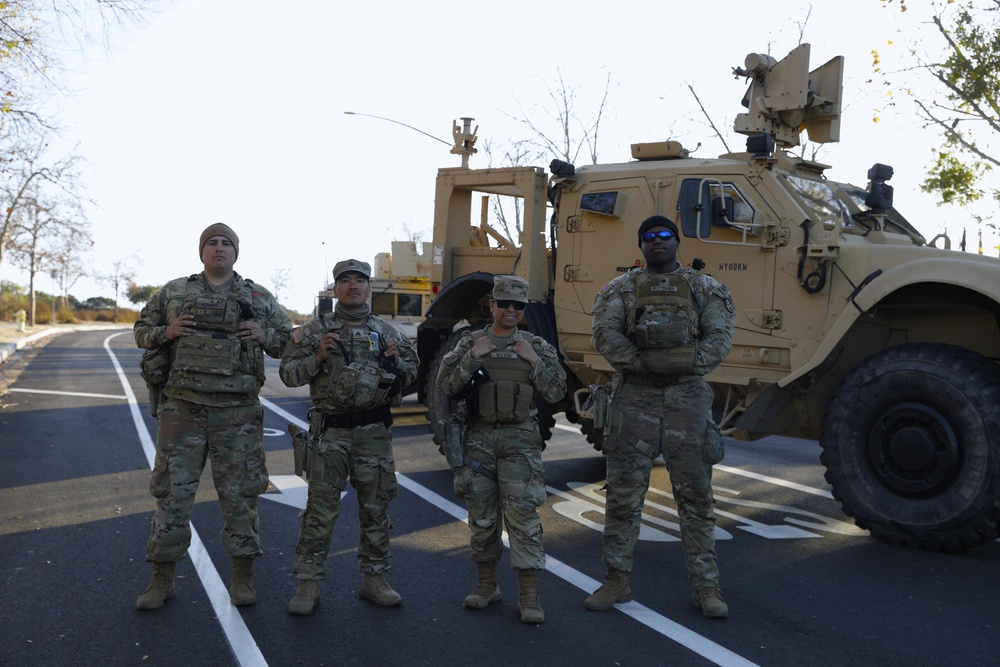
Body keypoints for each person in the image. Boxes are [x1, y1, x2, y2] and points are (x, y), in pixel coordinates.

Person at [134, 222, 293, 610]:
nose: (218, 249)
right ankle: (162, 579)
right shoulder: (174, 292)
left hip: (237, 414)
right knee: (172, 497)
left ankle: (242, 577)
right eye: (211, 243)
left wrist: (263, 334)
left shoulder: (256, 296)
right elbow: (141, 329)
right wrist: (165, 332)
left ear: (236, 252)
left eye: (226, 243)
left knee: (241, 498)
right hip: (182, 411)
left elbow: (289, 342)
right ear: (201, 251)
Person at [585, 215, 735, 618]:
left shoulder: (704, 288)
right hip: (634, 398)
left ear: (676, 242)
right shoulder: (620, 289)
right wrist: (642, 364)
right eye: (648, 237)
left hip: (687, 399)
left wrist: (684, 363)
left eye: (664, 235)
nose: (657, 242)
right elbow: (604, 334)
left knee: (696, 496)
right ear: (640, 246)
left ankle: (707, 589)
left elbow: (720, 337)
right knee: (623, 495)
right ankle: (616, 582)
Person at [280, 258, 418, 615]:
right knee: (320, 510)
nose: (353, 286)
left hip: (374, 433)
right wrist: (318, 357)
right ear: (336, 287)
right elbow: (288, 374)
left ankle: (375, 579)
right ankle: (308, 584)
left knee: (376, 508)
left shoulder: (388, 332)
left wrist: (396, 363)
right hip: (331, 433)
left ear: (369, 287)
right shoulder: (313, 332)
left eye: (360, 280)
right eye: (345, 280)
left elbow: (413, 375)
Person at [435, 275, 567, 624]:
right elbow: (444, 385)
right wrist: (472, 359)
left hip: (520, 442)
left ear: (524, 309)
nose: (511, 310)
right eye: (504, 303)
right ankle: (486, 586)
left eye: (518, 305)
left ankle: (529, 595)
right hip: (478, 441)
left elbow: (556, 393)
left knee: (524, 520)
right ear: (491, 304)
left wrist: (533, 361)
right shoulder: (470, 342)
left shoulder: (536, 345)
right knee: (482, 519)